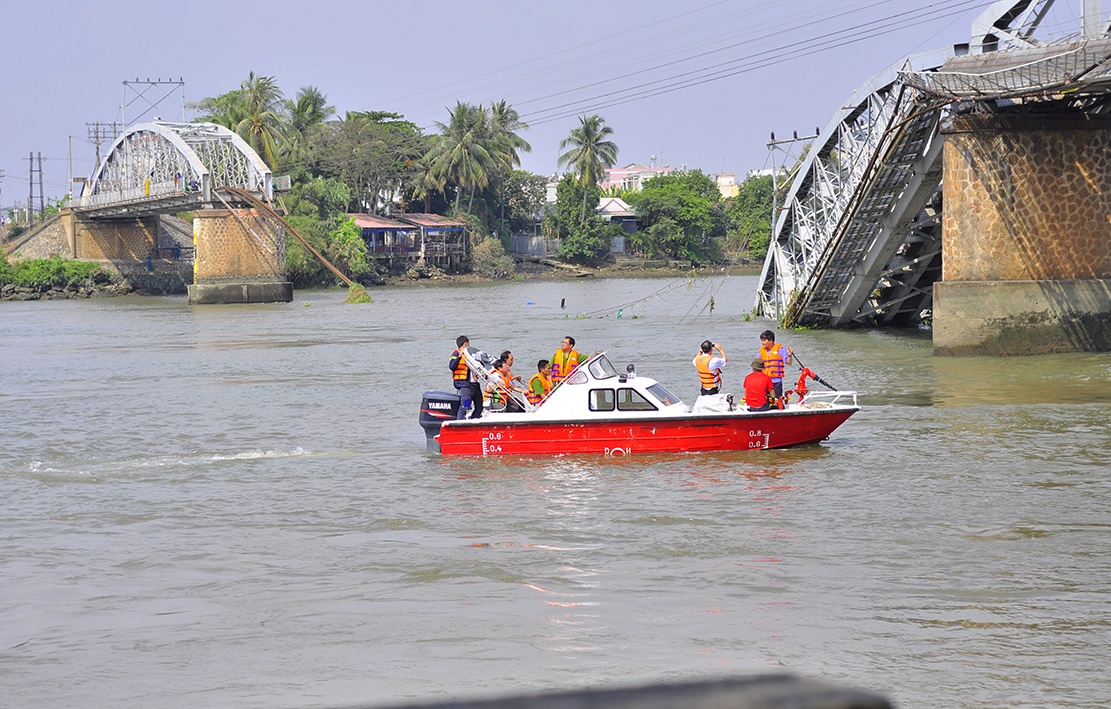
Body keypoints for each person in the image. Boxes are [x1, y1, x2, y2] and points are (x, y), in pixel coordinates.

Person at [449, 335, 483, 420]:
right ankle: (460, 422)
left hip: (474, 384)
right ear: (465, 343)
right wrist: (459, 357)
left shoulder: (470, 354)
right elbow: (451, 366)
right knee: (465, 405)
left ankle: (474, 420)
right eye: (468, 343)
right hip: (465, 385)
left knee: (480, 405)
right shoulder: (456, 353)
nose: (469, 345)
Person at [758, 329, 794, 400]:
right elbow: (756, 365)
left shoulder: (780, 349)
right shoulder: (761, 351)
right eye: (762, 340)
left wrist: (790, 355)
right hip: (764, 381)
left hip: (776, 381)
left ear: (771, 341)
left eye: (764, 340)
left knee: (776, 401)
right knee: (765, 401)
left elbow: (789, 363)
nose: (762, 342)